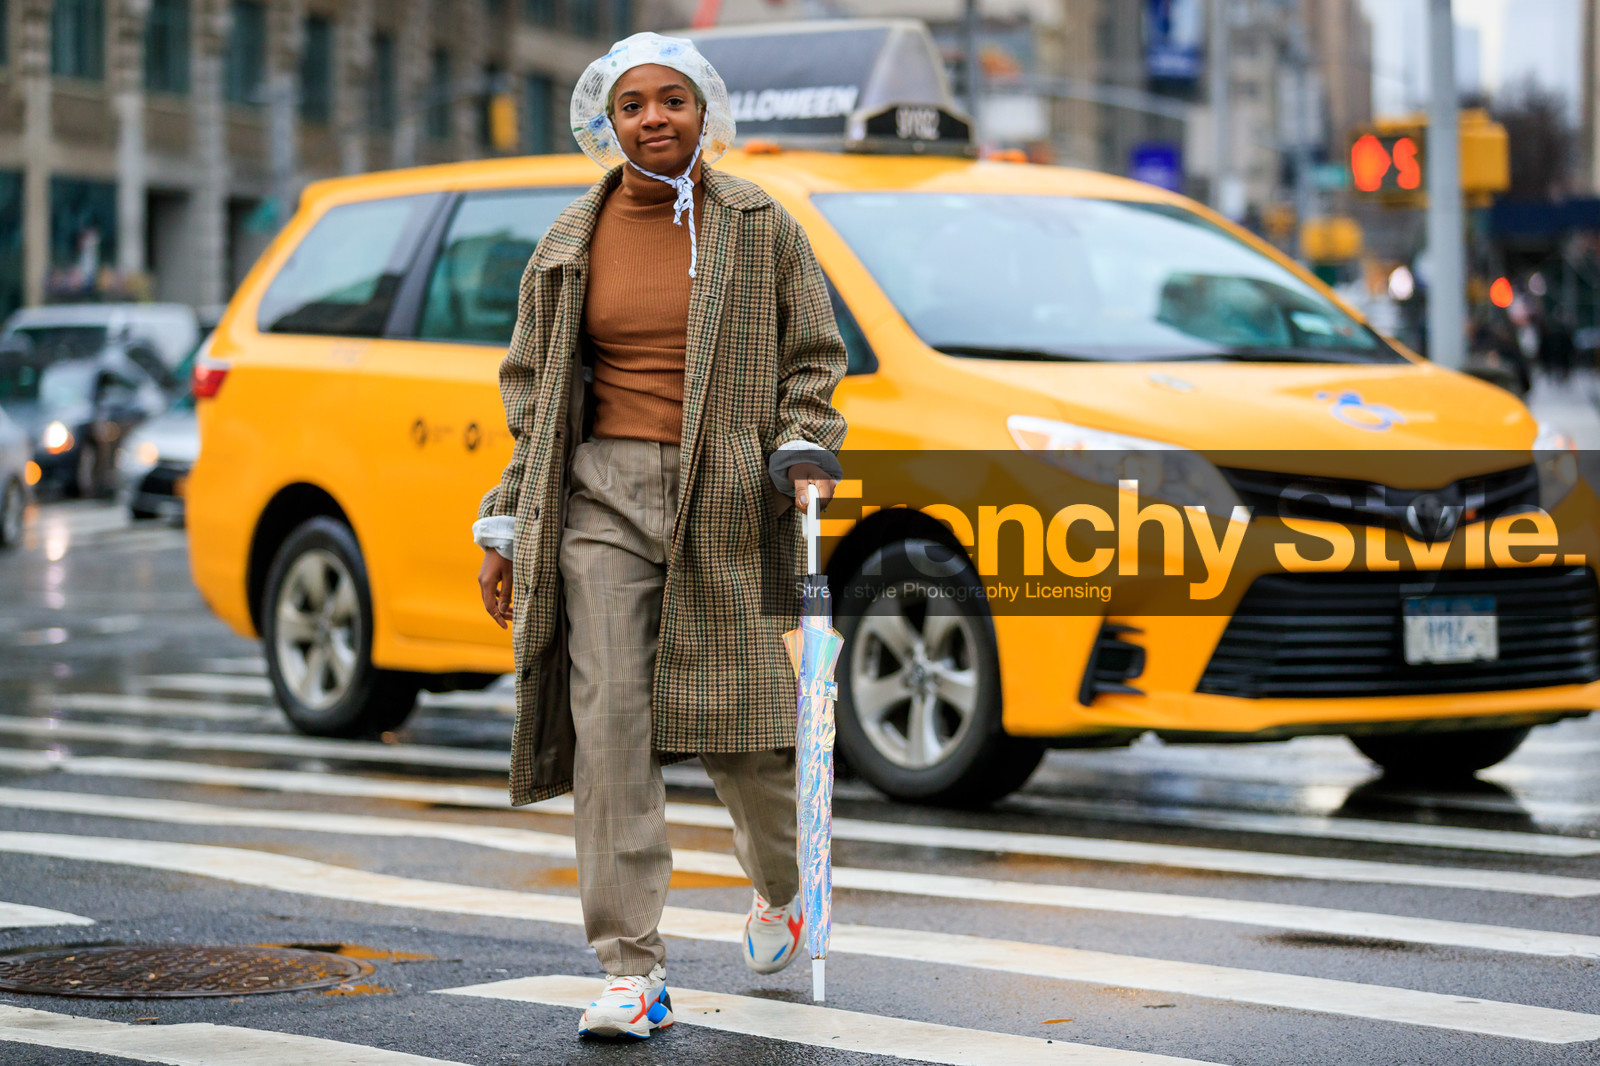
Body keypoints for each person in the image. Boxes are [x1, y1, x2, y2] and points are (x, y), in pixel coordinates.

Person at [471, 32, 847, 1042]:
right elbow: (533, 397)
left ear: (703, 112)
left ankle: (781, 887)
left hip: (721, 502)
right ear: (606, 119)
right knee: (612, 732)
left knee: (747, 735)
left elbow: (814, 355)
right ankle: (631, 968)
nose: (652, 117)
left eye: (672, 100)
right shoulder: (566, 242)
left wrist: (802, 443)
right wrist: (507, 523)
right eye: (632, 103)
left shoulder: (758, 225)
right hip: (595, 500)